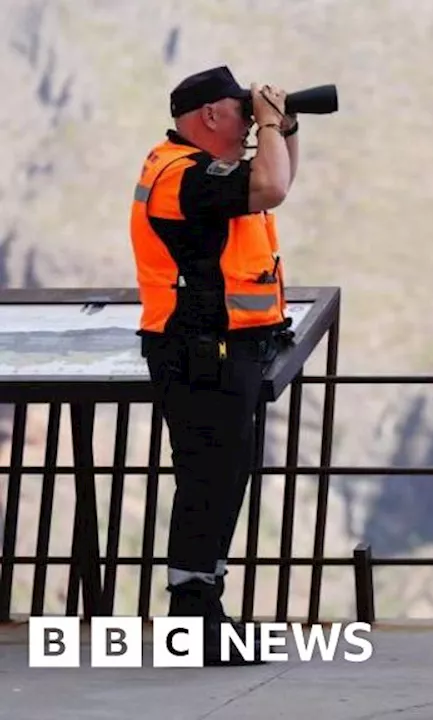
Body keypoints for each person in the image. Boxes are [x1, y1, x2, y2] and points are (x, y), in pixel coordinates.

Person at [128, 65, 299, 665]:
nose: (251, 122)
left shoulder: (200, 173)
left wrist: (286, 125)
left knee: (221, 478)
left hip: (224, 350)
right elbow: (271, 187)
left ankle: (203, 615)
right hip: (200, 352)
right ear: (208, 117)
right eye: (242, 112)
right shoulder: (185, 177)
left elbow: (276, 179)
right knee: (209, 481)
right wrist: (273, 124)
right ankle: (193, 621)